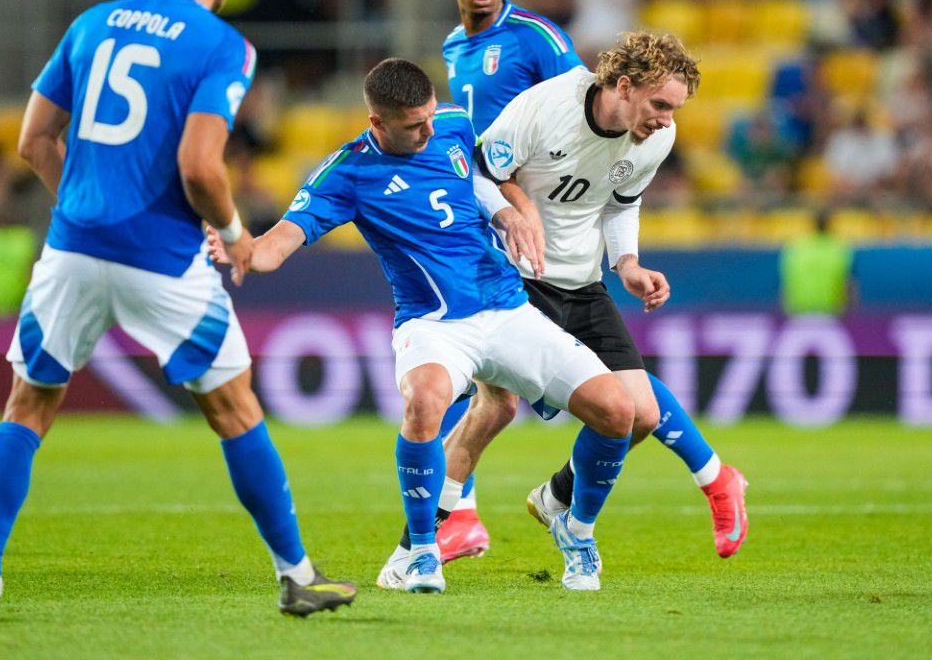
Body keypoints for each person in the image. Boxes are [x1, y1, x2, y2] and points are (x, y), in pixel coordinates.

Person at [0, 0, 355, 622]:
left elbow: (34, 140)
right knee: (235, 410)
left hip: (72, 249)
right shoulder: (222, 45)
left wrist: (84, 203)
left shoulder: (92, 23)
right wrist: (235, 233)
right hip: (163, 259)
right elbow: (200, 166)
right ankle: (296, 575)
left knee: (28, 407)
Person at [208, 58, 636, 593]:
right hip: (433, 324)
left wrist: (508, 212)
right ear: (377, 122)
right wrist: (240, 246)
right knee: (426, 401)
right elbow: (275, 247)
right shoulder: (346, 174)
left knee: (618, 411)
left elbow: (487, 178)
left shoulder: (453, 123)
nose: (429, 130)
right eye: (414, 125)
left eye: (430, 116)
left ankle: (576, 528)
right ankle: (421, 552)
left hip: (506, 307)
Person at [429, 0, 749, 565]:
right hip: (508, 260)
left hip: (575, 270)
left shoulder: (545, 48)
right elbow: (491, 162)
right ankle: (439, 525)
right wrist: (514, 210)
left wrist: (626, 262)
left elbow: (616, 189)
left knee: (622, 413)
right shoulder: (471, 57)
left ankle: (539, 502)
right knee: (492, 400)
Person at [779, 211, 855, 316]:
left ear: (812, 225)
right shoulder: (840, 248)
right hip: (830, 310)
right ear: (830, 225)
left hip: (799, 309)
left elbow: (785, 281)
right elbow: (848, 283)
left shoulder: (795, 247)